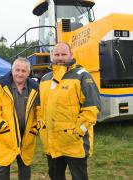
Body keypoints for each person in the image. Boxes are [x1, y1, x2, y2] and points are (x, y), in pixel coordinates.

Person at [39, 42, 101, 180]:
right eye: (57, 54)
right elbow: (40, 108)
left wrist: (77, 133)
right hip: (52, 144)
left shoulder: (82, 76)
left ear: (71, 55)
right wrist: (40, 127)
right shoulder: (45, 79)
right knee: (55, 176)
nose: (60, 58)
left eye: (63, 54)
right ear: (52, 56)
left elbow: (92, 110)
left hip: (75, 144)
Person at [0, 57, 40, 180]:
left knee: (25, 168)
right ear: (12, 70)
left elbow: (40, 110)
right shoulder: (1, 87)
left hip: (26, 136)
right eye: (17, 70)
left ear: (29, 72)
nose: (20, 74)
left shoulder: (35, 89)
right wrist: (1, 126)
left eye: (23, 71)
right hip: (7, 135)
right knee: (2, 169)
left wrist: (35, 127)